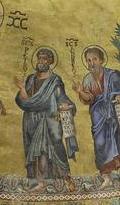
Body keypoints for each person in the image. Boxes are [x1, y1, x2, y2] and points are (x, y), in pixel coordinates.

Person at [72, 45, 120, 187]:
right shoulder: (87, 79)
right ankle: (106, 176)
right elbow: (89, 98)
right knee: (100, 142)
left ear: (101, 60)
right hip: (98, 114)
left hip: (114, 111)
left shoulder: (113, 74)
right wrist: (80, 91)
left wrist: (119, 94)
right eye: (88, 60)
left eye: (94, 59)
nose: (91, 63)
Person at [14, 47, 78, 182]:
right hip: (31, 120)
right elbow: (25, 100)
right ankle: (39, 181)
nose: (40, 61)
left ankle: (65, 177)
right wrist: (21, 89)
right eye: (39, 58)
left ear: (50, 61)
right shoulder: (31, 78)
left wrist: (66, 106)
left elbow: (61, 97)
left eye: (44, 58)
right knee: (35, 151)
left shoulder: (55, 80)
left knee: (52, 146)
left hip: (49, 119)